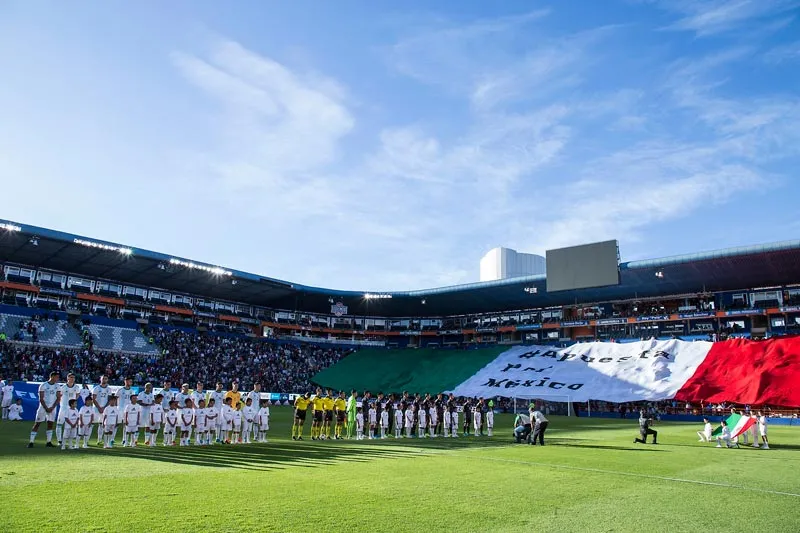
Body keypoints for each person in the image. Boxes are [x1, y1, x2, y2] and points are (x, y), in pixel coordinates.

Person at [28, 370, 61, 448]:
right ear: (52, 377)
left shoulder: (57, 386)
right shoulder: (43, 385)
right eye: (56, 377)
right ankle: (31, 442)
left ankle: (48, 442)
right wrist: (46, 407)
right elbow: (41, 398)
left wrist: (52, 407)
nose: (57, 379)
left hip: (52, 407)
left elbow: (58, 398)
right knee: (37, 423)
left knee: (50, 424)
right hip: (43, 407)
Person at [56, 372, 81, 446]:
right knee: (59, 424)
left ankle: (70, 440)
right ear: (68, 378)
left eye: (73, 377)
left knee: (73, 424)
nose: (72, 379)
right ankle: (59, 440)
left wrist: (74, 402)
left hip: (72, 408)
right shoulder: (63, 387)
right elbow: (59, 396)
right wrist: (62, 403)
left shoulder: (76, 387)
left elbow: (78, 394)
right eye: (71, 377)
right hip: (64, 407)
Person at [92, 376, 112, 446]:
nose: (104, 380)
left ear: (107, 380)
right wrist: (99, 407)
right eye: (103, 378)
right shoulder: (96, 388)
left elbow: (109, 399)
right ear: (100, 379)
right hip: (96, 408)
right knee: (91, 424)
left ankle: (99, 440)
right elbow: (93, 399)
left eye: (106, 378)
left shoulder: (109, 389)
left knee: (101, 424)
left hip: (104, 409)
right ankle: (86, 440)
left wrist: (104, 408)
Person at [117, 377, 135, 446]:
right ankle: (111, 439)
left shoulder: (132, 391)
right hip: (120, 409)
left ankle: (124, 439)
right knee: (116, 424)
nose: (130, 382)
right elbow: (116, 399)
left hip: (128, 410)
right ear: (125, 381)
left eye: (131, 381)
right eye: (129, 381)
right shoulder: (120, 390)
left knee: (126, 425)